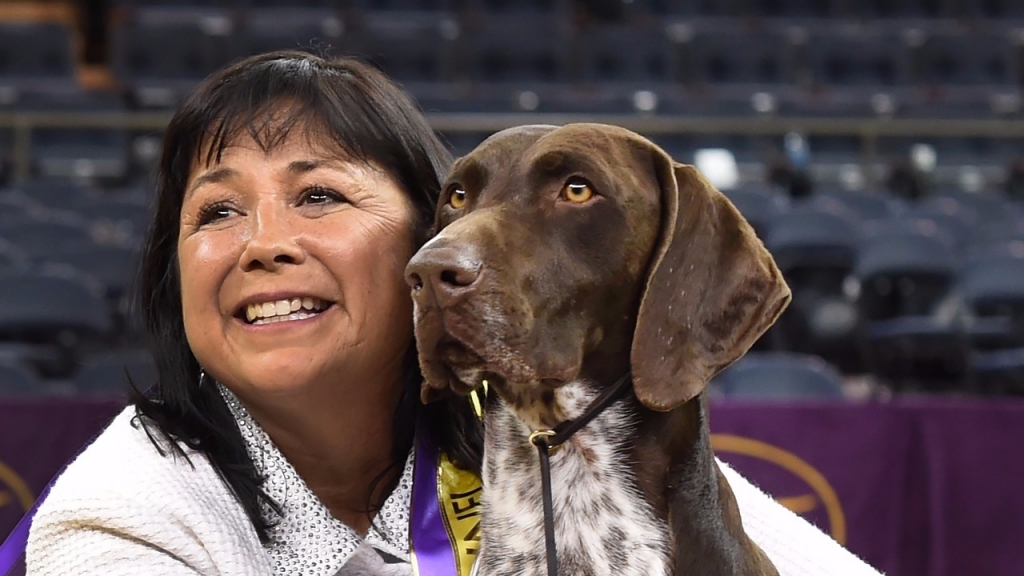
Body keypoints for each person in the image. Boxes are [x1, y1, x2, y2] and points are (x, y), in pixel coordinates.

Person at [24, 51, 882, 575]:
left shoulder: (532, 432)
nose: (262, 244)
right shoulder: (122, 516)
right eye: (215, 211)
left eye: (319, 195)